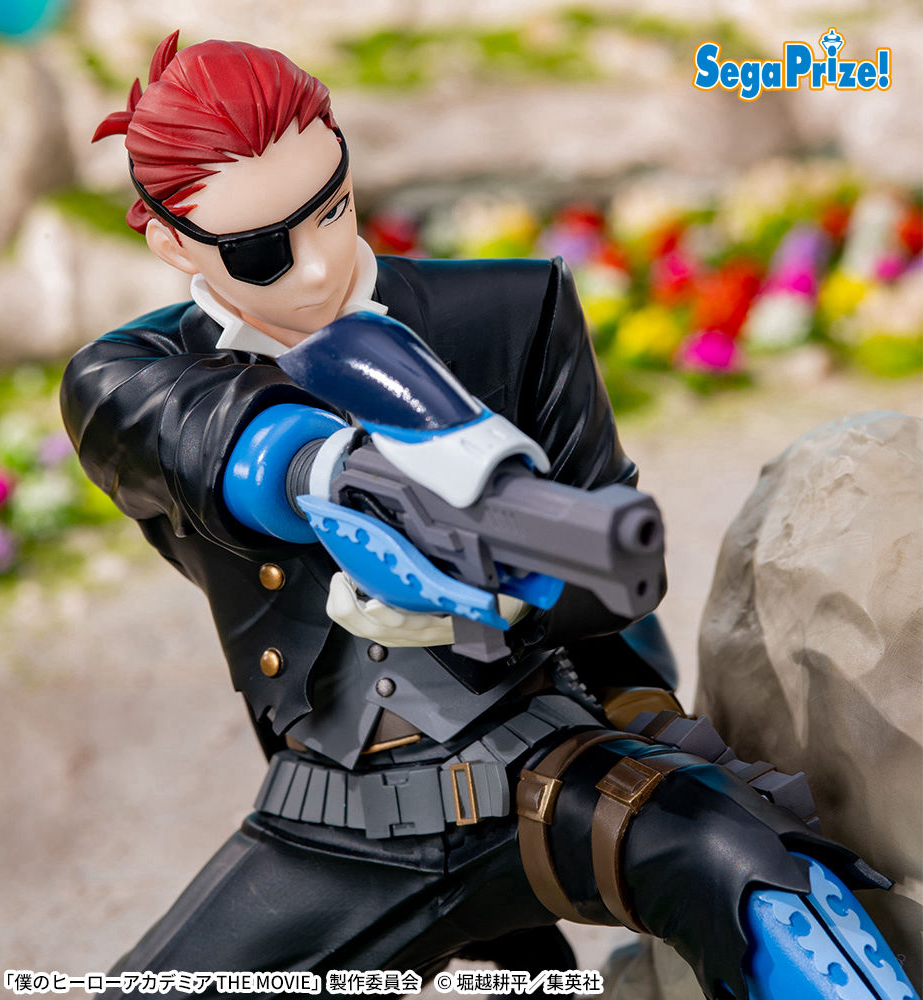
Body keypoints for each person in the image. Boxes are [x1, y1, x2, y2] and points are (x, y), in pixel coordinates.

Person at [62, 32, 899, 1000]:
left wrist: (504, 600)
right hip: (332, 818)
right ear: (171, 241)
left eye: (331, 208)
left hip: (547, 762)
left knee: (762, 885)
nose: (315, 267)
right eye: (260, 250)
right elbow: (198, 436)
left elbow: (609, 574)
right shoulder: (126, 375)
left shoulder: (512, 309)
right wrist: (329, 476)